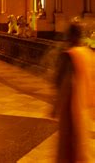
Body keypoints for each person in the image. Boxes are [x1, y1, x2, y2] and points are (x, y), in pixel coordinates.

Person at [53, 23, 94, 163]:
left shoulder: (70, 55)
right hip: (83, 107)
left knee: (69, 144)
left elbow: (65, 83)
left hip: (71, 106)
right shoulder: (88, 53)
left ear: (70, 36)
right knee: (81, 143)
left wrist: (56, 105)